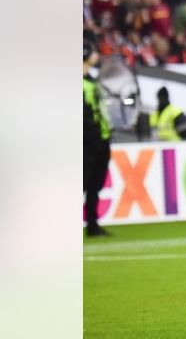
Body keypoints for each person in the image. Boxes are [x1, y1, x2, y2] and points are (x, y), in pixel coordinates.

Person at [83, 43, 112, 238]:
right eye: (93, 52)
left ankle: (93, 224)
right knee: (84, 182)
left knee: (95, 184)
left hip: (101, 139)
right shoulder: (83, 84)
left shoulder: (92, 81)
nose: (96, 55)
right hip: (87, 141)